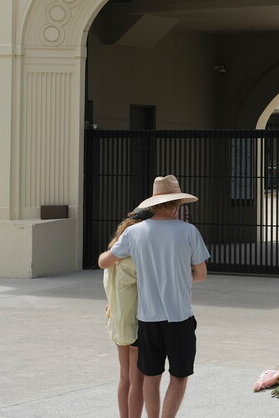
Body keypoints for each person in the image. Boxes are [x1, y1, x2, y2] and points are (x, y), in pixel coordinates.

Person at [99, 175, 209, 418]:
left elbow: (104, 262)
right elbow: (201, 274)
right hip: (179, 316)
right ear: (177, 204)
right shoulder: (189, 231)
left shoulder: (134, 233)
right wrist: (180, 275)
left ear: (153, 204)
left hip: (147, 318)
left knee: (150, 376)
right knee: (179, 376)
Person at [104, 206, 152, 418]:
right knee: (137, 379)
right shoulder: (135, 258)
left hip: (116, 319)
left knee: (124, 378)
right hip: (136, 319)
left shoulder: (113, 255)